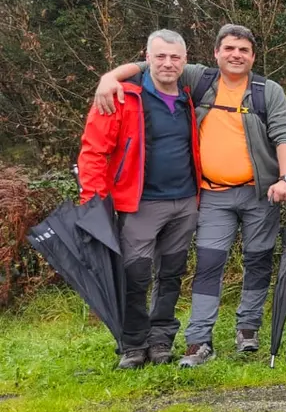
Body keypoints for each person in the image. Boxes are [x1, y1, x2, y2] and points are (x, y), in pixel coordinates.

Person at [93, 24, 286, 368]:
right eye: (229, 48)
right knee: (208, 266)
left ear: (253, 56)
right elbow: (147, 66)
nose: (235, 55)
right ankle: (199, 340)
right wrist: (109, 77)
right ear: (215, 53)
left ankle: (248, 330)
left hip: (260, 195)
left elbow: (284, 133)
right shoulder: (198, 78)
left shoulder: (268, 90)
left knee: (258, 261)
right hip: (212, 195)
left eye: (243, 50)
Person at [78, 30, 202, 369]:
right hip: (139, 204)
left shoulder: (189, 97)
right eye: (160, 56)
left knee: (172, 274)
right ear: (146, 58)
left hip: (185, 201)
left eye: (175, 57)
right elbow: (93, 152)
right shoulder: (121, 96)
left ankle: (161, 340)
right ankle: (133, 344)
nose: (167, 63)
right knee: (135, 275)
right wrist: (93, 203)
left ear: (184, 61)